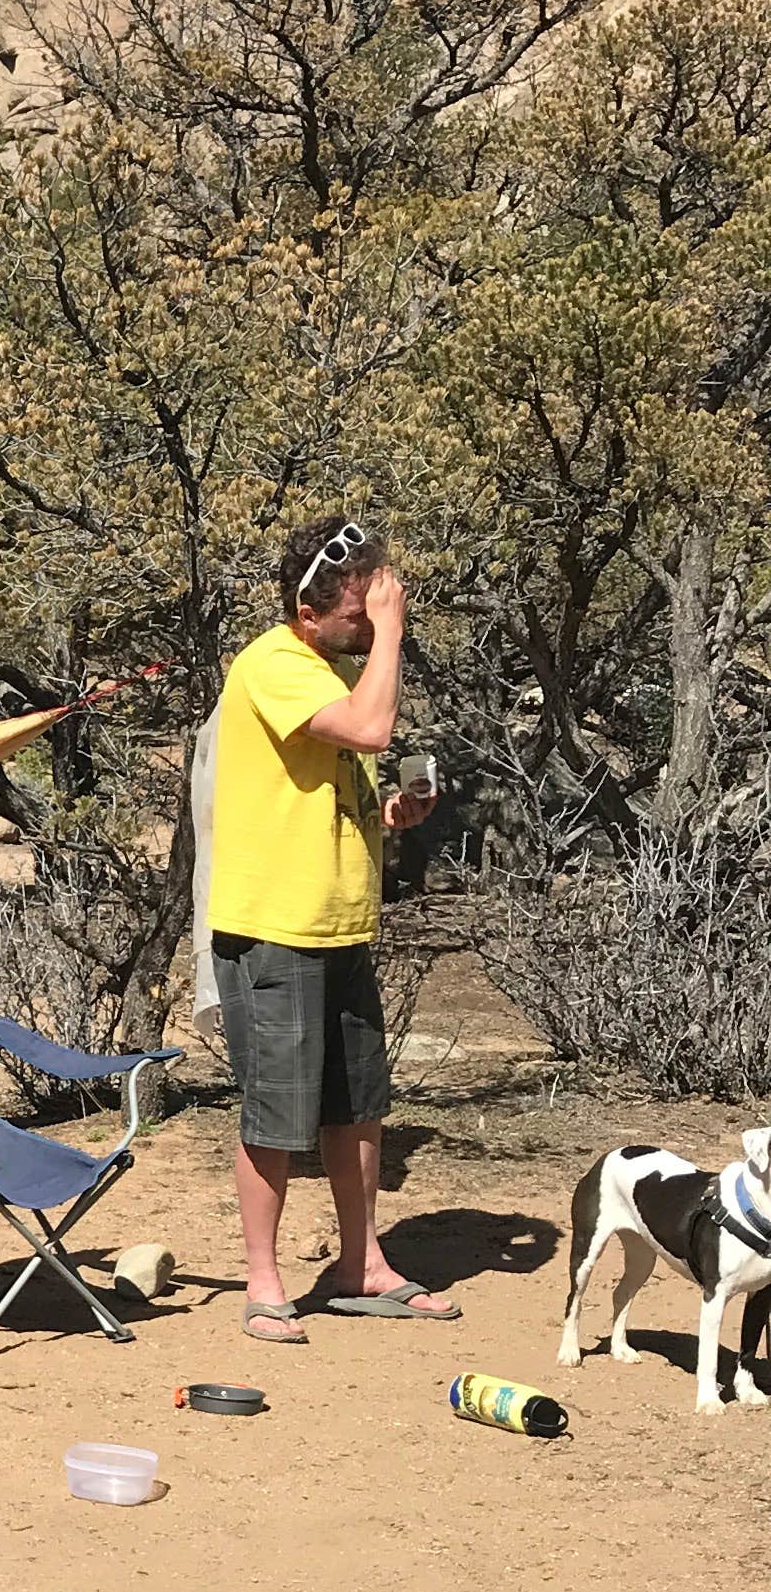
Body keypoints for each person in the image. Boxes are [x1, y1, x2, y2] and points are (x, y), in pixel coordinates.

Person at [206, 515, 454, 1343]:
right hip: (274, 928)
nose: (369, 624)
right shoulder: (275, 662)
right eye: (357, 614)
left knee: (358, 1108)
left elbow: (337, 776)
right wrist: (392, 634)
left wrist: (392, 811)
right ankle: (265, 1283)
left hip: (340, 925)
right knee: (276, 1113)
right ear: (309, 613)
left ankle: (362, 1265)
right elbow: (371, 728)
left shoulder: (318, 668)